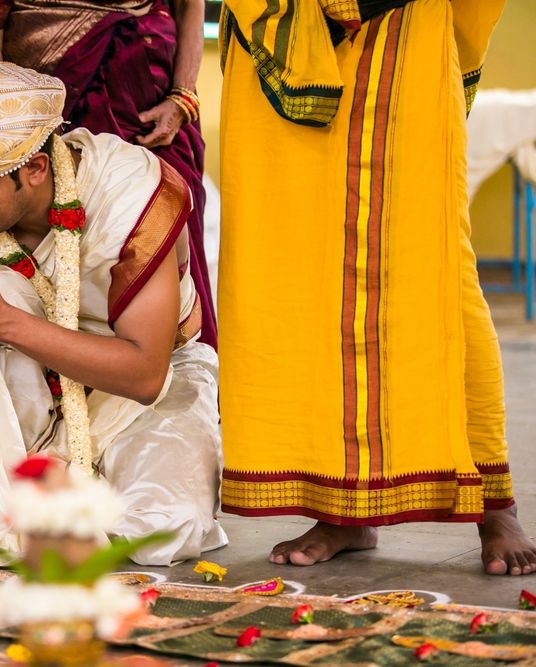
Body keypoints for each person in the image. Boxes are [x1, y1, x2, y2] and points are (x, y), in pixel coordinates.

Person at [218, 0, 536, 575]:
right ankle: (345, 508)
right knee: (296, 269)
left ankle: (493, 501)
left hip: (407, 29)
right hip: (285, 31)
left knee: (441, 272)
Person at [0, 62, 227, 567]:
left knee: (162, 527)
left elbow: (145, 376)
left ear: (35, 168)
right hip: (25, 396)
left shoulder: (130, 196)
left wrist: (3, 324)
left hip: (146, 396)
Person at [0, 0, 217, 350]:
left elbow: (190, 5)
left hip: (156, 125)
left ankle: (156, 375)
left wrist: (183, 95)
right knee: (57, 270)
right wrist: (17, 127)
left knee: (164, 255)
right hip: (53, 125)